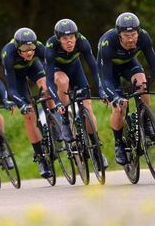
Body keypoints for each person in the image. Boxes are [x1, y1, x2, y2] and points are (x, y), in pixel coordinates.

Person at [97, 12, 155, 165]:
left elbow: (154, 64)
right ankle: (119, 144)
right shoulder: (108, 43)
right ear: (119, 35)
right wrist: (115, 97)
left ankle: (145, 121)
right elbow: (106, 79)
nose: (131, 39)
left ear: (138, 32)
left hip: (129, 64)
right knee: (120, 106)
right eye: (126, 35)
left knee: (143, 84)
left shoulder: (144, 37)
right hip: (110, 73)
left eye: (134, 34)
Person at [45, 18, 108, 168]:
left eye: (72, 37)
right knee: (63, 81)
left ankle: (96, 147)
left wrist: (101, 88)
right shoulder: (51, 46)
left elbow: (94, 67)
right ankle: (65, 118)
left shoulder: (82, 42)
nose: (69, 41)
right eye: (65, 38)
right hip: (57, 71)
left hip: (76, 70)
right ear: (58, 39)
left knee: (88, 107)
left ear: (76, 36)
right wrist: (58, 103)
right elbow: (48, 81)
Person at [2, 27, 57, 178]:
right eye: (24, 49)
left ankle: (54, 121)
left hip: (33, 68)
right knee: (29, 115)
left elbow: (52, 65)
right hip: (17, 79)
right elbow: (12, 89)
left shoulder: (38, 47)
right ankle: (40, 157)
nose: (29, 52)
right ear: (17, 47)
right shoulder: (8, 53)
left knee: (47, 87)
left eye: (31, 47)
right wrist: (22, 104)